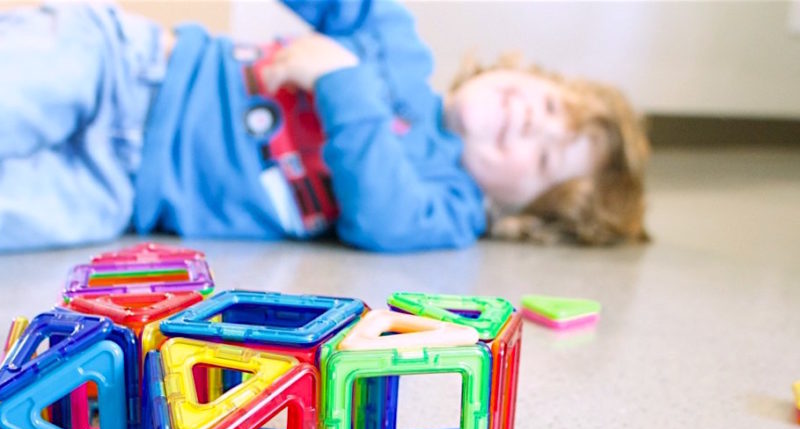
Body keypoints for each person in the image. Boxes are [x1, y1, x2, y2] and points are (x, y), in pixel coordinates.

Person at [0, 1, 649, 253]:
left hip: (123, 193)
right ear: (524, 73)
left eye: (543, 158)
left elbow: (380, 216)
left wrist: (342, 80)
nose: (530, 123)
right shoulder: (400, 50)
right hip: (131, 67)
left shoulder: (447, 207)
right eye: (548, 104)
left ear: (519, 213)